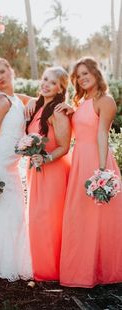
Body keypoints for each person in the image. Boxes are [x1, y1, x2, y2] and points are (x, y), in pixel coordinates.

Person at [58, 56, 122, 288]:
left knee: (99, 217)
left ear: (96, 73)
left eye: (86, 73)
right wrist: (70, 111)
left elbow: (102, 133)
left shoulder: (104, 100)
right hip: (79, 161)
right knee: (80, 216)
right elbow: (81, 130)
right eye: (79, 75)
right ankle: (79, 269)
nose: (83, 78)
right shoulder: (83, 101)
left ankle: (101, 272)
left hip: (97, 161)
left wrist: (103, 171)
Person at [0, 58, 32, 281]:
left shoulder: (17, 99)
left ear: (11, 70)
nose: (0, 77)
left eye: (3, 71)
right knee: (0, 214)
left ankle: (13, 261)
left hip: (11, 167)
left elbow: (45, 100)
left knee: (15, 213)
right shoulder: (1, 102)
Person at [26, 66, 71, 281]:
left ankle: (50, 269)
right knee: (36, 218)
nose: (46, 84)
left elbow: (64, 146)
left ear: (61, 88)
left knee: (48, 220)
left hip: (53, 172)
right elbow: (12, 95)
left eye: (53, 83)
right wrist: (28, 102)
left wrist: (46, 158)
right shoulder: (36, 107)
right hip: (36, 171)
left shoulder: (58, 111)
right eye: (45, 79)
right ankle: (38, 265)